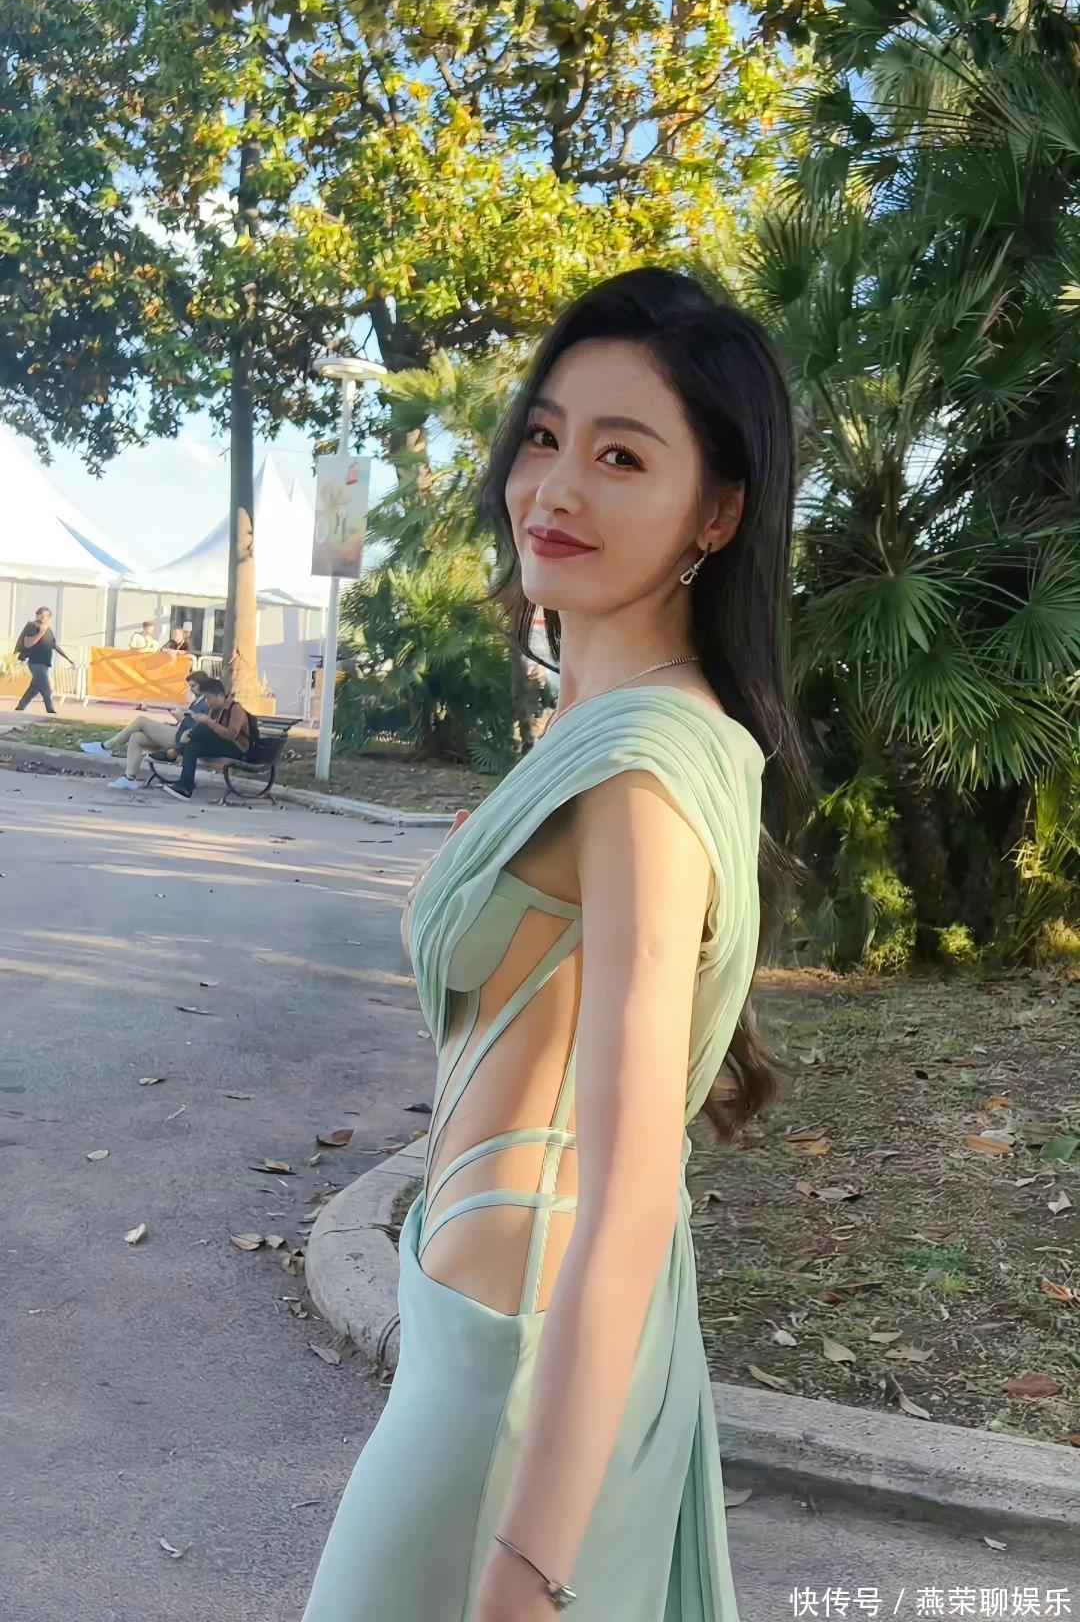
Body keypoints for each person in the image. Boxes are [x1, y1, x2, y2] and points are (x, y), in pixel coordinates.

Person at [300, 267, 808, 1622]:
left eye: (621, 456)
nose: (556, 488)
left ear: (717, 510)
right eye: (544, 436)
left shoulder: (642, 771)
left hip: (510, 1388)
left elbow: (634, 1190)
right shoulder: (611, 730)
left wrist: (528, 1573)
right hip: (479, 1332)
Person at [80, 672, 214, 791]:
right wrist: (179, 718)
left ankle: (106, 746)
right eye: (190, 686)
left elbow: (198, 726)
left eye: (194, 686)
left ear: (203, 684)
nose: (192, 690)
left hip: (181, 738)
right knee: (137, 737)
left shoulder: (206, 702)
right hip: (178, 732)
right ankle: (129, 778)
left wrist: (182, 718)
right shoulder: (198, 700)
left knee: (141, 721)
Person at [162, 676, 251, 799]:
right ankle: (185, 787)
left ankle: (175, 751)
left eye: (209, 698)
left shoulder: (236, 709)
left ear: (220, 695)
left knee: (204, 727)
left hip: (238, 748)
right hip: (221, 745)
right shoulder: (215, 709)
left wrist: (208, 722)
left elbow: (231, 735)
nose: (207, 702)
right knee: (192, 747)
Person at [15, 607, 74, 716]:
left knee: (34, 689)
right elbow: (27, 643)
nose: (41, 617)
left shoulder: (49, 630)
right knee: (46, 687)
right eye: (39, 614)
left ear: (49, 617)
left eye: (44, 615)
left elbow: (54, 645)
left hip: (45, 664)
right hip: (35, 663)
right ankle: (50, 711)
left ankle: (20, 707)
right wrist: (40, 633)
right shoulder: (33, 626)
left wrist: (68, 658)